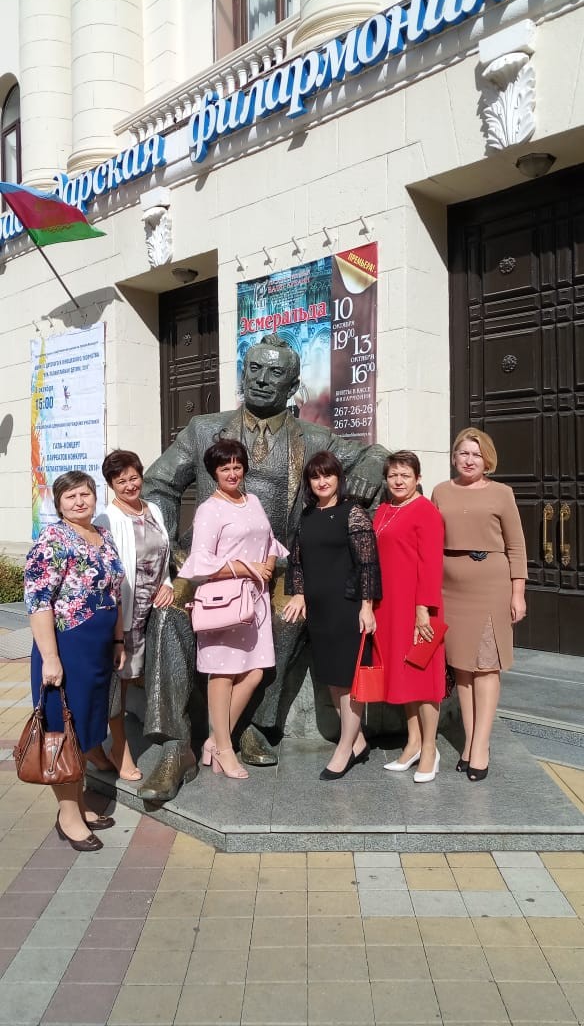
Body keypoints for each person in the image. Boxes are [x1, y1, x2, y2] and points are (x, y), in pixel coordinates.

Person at [138, 333, 388, 802]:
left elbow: (375, 454)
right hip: (210, 564)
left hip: (276, 568)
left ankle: (252, 725)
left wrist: (371, 468)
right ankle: (175, 746)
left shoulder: (314, 438)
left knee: (287, 620)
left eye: (275, 373)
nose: (262, 380)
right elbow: (158, 484)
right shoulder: (204, 429)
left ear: (293, 386)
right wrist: (171, 551)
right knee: (169, 617)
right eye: (254, 369)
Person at [23, 471, 125, 852]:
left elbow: (114, 593)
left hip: (98, 650)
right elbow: (38, 602)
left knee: (85, 728)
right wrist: (50, 658)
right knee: (63, 732)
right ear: (59, 503)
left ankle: (78, 805)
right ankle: (68, 816)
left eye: (85, 494)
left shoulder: (103, 536)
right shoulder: (52, 540)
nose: (80, 501)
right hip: (66, 649)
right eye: (71, 496)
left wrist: (118, 640)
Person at [178, 439, 288, 779]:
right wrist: (246, 568)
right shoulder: (209, 509)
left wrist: (268, 564)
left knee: (255, 672)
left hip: (255, 601)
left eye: (237, 466)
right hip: (225, 602)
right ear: (214, 473)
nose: (232, 473)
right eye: (224, 468)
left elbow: (270, 541)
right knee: (222, 673)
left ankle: (214, 740)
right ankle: (225, 749)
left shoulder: (252, 500)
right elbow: (200, 562)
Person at [432, 428, 527, 782]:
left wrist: (518, 593)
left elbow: (516, 546)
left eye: (476, 454)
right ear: (454, 457)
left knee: (486, 665)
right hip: (450, 589)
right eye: (463, 453)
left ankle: (481, 746)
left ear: (487, 460)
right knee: (462, 668)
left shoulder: (502, 493)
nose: (469, 460)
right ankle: (470, 742)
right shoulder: (441, 491)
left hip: (490, 586)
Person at [283, 451, 380, 779]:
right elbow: (297, 561)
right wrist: (299, 593)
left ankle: (344, 748)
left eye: (328, 475)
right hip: (319, 612)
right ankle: (359, 741)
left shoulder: (353, 513)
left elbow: (368, 563)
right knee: (333, 682)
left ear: (339, 477)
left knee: (348, 681)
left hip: (347, 608)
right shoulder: (308, 515)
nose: (322, 481)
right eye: (315, 476)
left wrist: (367, 606)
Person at [88, 450, 174, 782]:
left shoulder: (153, 509)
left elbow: (162, 554)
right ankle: (119, 748)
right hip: (124, 615)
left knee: (133, 679)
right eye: (120, 480)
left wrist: (166, 582)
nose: (129, 485)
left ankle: (97, 746)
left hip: (152, 608)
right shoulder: (106, 521)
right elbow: (107, 576)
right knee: (118, 687)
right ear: (111, 485)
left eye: (133, 477)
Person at [373, 452, 446, 783]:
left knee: (424, 679)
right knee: (404, 676)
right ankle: (413, 742)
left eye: (405, 475)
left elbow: (431, 564)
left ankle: (430, 749)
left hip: (418, 608)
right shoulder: (385, 510)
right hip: (390, 606)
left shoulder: (426, 511)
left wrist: (422, 611)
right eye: (393, 475)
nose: (398, 481)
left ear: (418, 478)